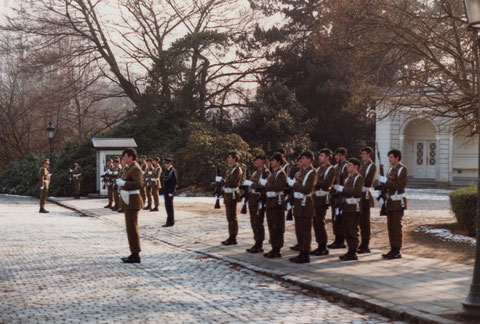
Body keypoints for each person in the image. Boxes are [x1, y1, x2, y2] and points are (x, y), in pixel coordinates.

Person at [116, 148, 144, 264]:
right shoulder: (129, 167)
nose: (123, 158)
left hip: (133, 201)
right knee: (130, 228)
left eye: (125, 156)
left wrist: (124, 183)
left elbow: (139, 184)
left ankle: (135, 255)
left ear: (131, 157)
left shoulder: (135, 168)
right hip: (129, 201)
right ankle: (133, 253)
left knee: (132, 228)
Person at [378, 149, 408, 260]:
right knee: (390, 227)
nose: (389, 159)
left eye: (391, 157)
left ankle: (397, 250)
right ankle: (392, 248)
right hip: (390, 202)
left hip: (397, 202)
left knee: (396, 226)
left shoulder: (402, 169)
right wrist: (381, 189)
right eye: (389, 157)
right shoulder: (390, 169)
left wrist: (386, 181)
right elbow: (388, 186)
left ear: (397, 158)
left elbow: (399, 186)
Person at [289, 151, 317, 264]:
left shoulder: (312, 172)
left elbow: (307, 189)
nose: (302, 160)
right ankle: (301, 252)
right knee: (299, 230)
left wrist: (293, 184)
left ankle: (305, 254)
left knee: (305, 230)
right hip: (299, 203)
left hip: (306, 204)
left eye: (304, 158)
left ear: (310, 160)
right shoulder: (302, 171)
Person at [335, 158, 364, 261]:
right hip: (346, 207)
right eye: (347, 165)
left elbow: (357, 192)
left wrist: (342, 189)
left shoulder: (358, 178)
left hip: (353, 208)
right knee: (347, 229)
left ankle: (353, 251)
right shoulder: (348, 178)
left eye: (350, 165)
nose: (347, 167)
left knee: (352, 230)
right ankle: (350, 250)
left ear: (356, 166)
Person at [243, 154, 271, 253]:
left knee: (258, 222)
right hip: (252, 198)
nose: (255, 161)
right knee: (253, 221)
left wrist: (251, 184)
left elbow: (262, 186)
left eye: (258, 160)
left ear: (263, 161)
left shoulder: (266, 172)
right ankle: (256, 241)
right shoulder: (256, 172)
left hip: (259, 198)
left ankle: (259, 243)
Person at [311, 149, 336, 256]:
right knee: (316, 222)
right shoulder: (319, 168)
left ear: (327, 157)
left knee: (320, 222)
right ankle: (319, 245)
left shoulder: (331, 169)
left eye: (321, 155)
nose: (319, 157)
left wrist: (313, 181)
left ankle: (323, 246)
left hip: (322, 197)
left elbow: (326, 184)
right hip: (315, 197)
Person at [215, 152, 243, 245]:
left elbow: (230, 182)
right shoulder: (230, 169)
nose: (228, 159)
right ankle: (231, 236)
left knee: (232, 216)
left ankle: (233, 237)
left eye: (229, 157)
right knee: (229, 217)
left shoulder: (237, 169)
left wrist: (221, 180)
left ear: (234, 158)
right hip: (228, 195)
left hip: (232, 195)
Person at [263, 153, 287, 258]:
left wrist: (265, 184)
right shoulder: (274, 173)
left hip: (277, 203)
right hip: (271, 202)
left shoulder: (281, 173)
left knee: (277, 226)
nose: (271, 162)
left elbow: (277, 187)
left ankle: (277, 248)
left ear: (278, 162)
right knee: (271, 225)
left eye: (273, 161)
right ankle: (274, 247)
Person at [328, 147, 348, 249]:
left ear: (344, 156)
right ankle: (336, 238)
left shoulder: (346, 166)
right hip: (335, 195)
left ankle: (341, 240)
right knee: (335, 218)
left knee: (341, 219)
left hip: (342, 195)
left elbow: (346, 180)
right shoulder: (335, 167)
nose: (337, 157)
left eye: (339, 155)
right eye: (336, 155)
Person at [359, 146, 377, 253]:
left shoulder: (371, 166)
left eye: (364, 153)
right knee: (360, 221)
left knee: (365, 222)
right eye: (361, 154)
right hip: (359, 195)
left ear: (369, 154)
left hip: (365, 195)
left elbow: (369, 181)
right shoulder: (362, 166)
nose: (362, 155)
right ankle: (362, 243)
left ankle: (365, 244)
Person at [162, 157, 177, 227]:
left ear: (170, 163)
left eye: (166, 163)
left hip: (169, 192)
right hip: (166, 191)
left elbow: (174, 182)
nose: (165, 164)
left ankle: (170, 222)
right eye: (165, 163)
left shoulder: (172, 170)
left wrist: (171, 192)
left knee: (169, 207)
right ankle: (170, 221)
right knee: (167, 207)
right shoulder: (168, 170)